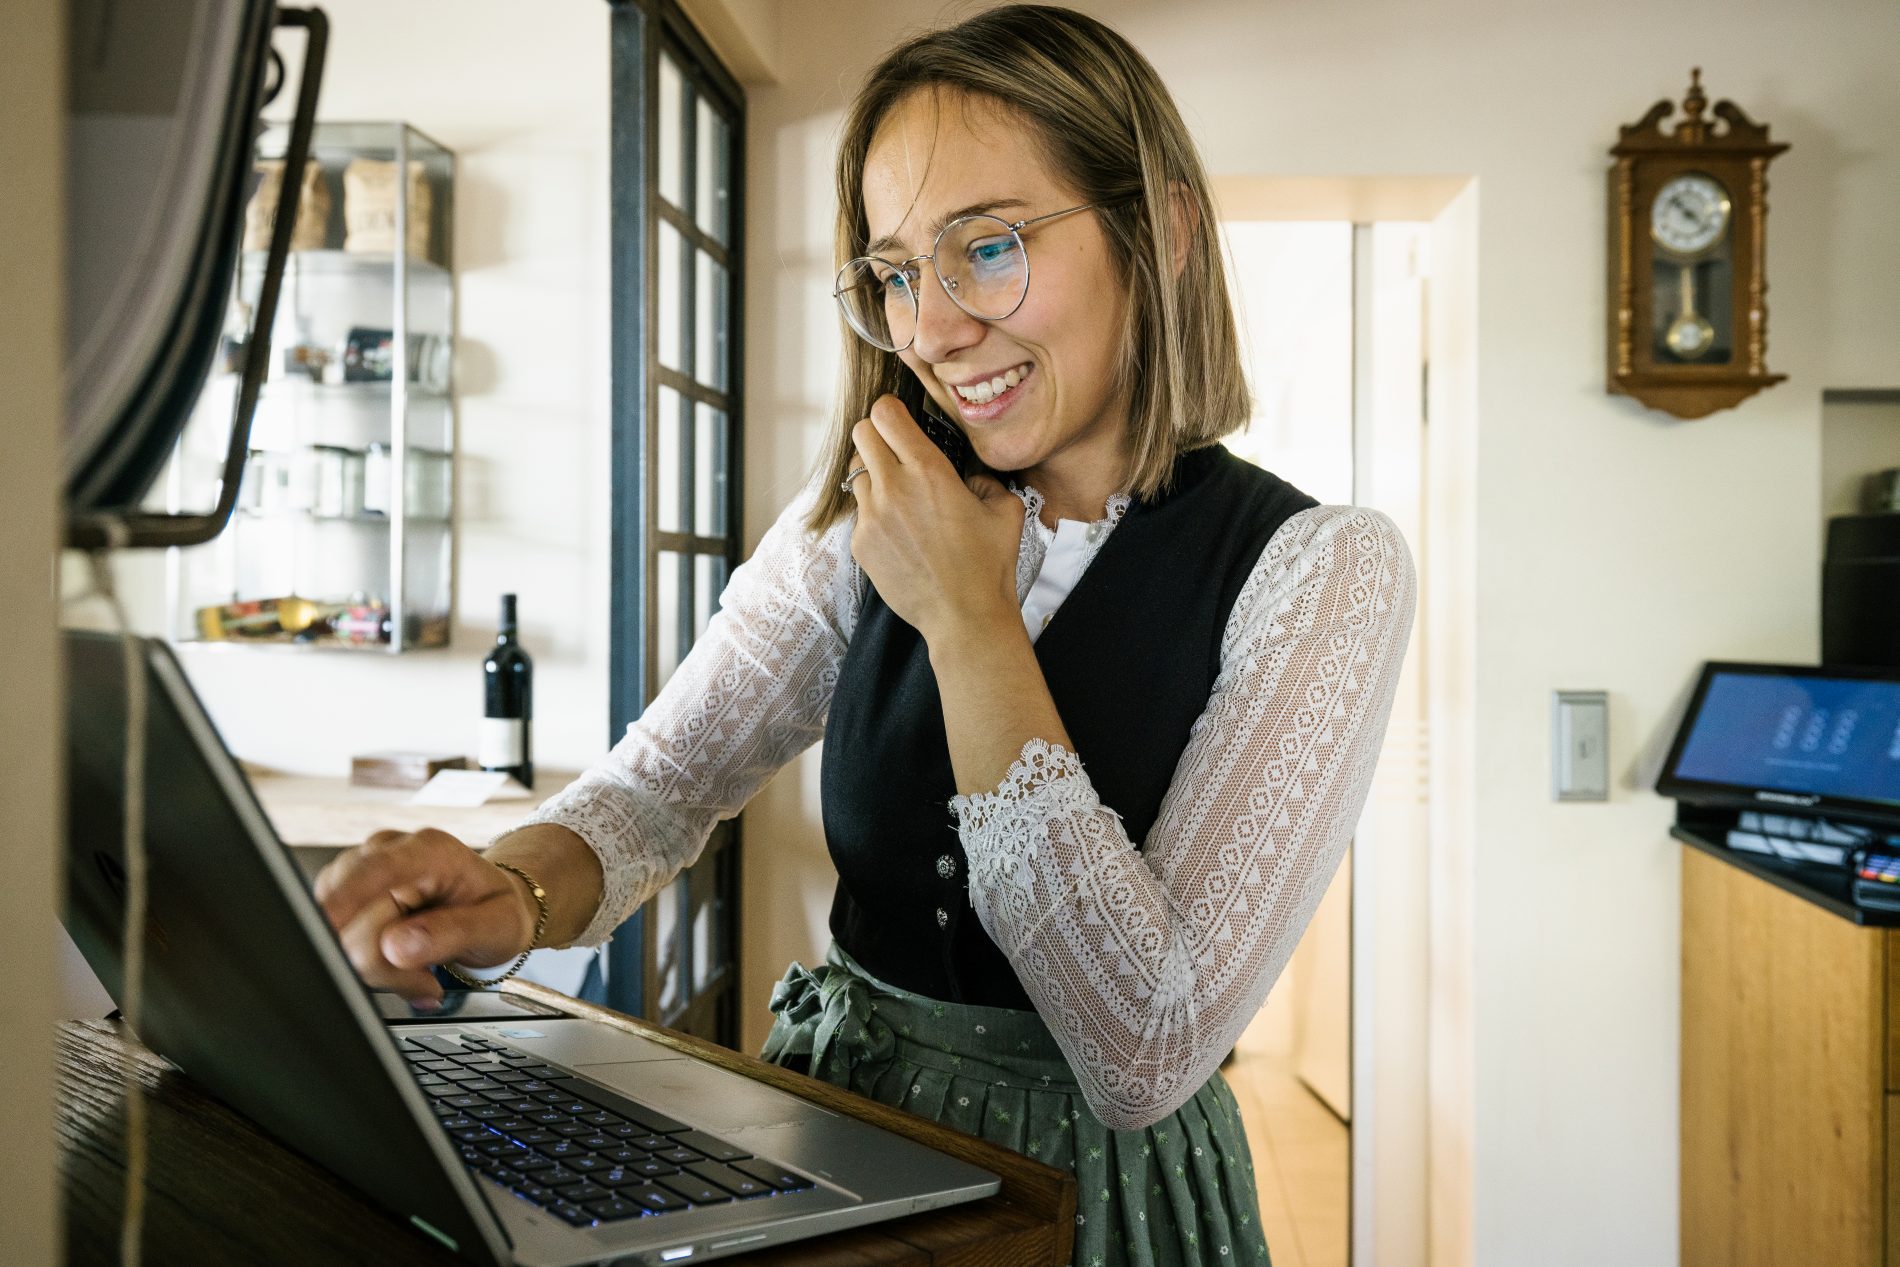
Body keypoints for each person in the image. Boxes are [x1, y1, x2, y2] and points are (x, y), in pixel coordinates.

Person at [315, 6, 1416, 1263]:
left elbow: (1145, 1047)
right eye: (894, 272)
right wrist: (511, 888)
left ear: (1159, 231)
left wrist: (965, 617)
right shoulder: (856, 517)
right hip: (839, 1147)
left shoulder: (1320, 567)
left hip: (1100, 1211)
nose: (931, 330)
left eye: (985, 247)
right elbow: (660, 790)